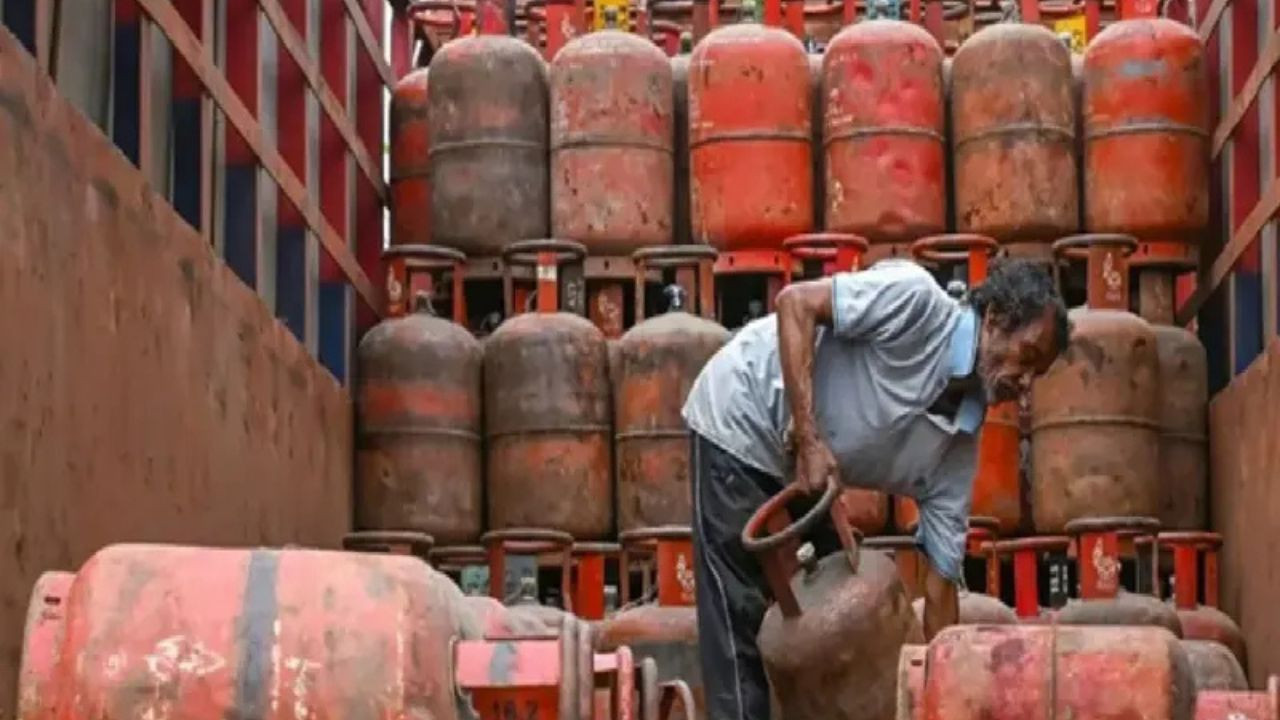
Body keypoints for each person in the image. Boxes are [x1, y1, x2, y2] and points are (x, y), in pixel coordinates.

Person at [680, 257, 1069, 720]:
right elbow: (795, 304)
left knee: (844, 630)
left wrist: (937, 695)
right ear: (996, 320)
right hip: (742, 413)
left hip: (804, 465)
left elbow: (941, 589)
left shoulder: (956, 451)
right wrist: (808, 438)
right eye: (1027, 357)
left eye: (1037, 375)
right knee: (739, 631)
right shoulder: (915, 302)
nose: (1025, 387)